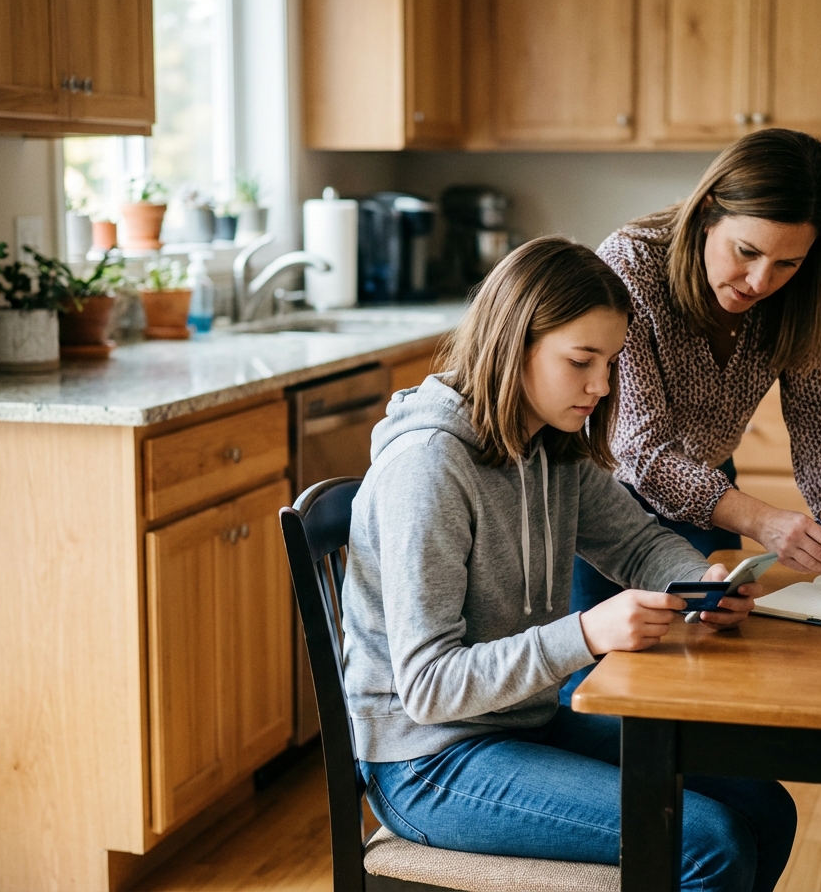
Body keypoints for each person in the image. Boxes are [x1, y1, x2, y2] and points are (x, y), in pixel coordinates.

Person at [342, 236, 797, 892]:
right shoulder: (430, 466)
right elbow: (429, 686)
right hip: (427, 762)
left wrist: (701, 583)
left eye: (610, 362)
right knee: (711, 844)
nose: (601, 385)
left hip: (521, 719)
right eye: (582, 361)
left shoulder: (548, 444)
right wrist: (585, 635)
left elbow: (637, 544)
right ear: (515, 342)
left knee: (764, 808)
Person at [566, 130, 821, 701]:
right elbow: (639, 452)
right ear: (706, 214)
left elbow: (820, 417)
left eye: (786, 263)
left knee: (708, 671)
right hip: (606, 501)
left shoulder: (805, 289)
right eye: (747, 252)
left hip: (712, 495)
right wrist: (767, 522)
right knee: (607, 691)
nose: (761, 282)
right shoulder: (631, 264)